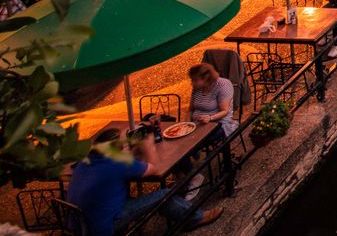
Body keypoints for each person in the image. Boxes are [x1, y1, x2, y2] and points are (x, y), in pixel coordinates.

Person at [68, 128, 222, 235]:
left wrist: (131, 152)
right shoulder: (119, 162)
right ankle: (195, 218)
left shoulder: (86, 161)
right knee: (164, 195)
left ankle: (183, 211)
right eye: (125, 144)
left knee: (137, 194)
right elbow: (156, 169)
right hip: (104, 225)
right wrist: (149, 146)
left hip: (79, 224)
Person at [187, 63, 237, 137]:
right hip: (197, 124)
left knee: (197, 139)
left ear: (206, 78)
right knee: (185, 137)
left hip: (218, 123)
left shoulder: (223, 85)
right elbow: (190, 110)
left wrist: (210, 118)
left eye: (195, 80)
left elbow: (225, 111)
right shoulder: (197, 87)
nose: (192, 83)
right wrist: (187, 124)